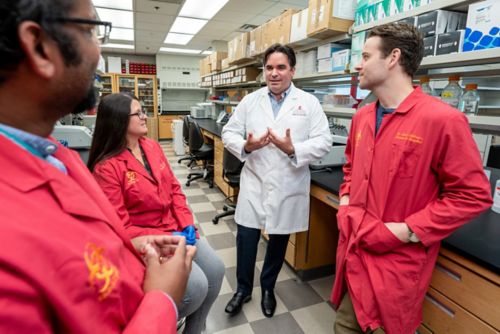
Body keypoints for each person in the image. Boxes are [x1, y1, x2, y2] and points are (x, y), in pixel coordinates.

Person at [0, 1, 195, 333]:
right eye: (90, 30)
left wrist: (137, 245)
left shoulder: (61, 159)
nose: (100, 52)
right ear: (39, 47)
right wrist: (161, 300)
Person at [330, 23, 493, 334]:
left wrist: (409, 230)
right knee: (346, 323)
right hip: (355, 247)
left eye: (365, 56)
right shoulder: (363, 116)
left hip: (395, 260)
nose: (357, 64)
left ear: (393, 58)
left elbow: (473, 195)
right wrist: (347, 200)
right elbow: (351, 166)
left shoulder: (442, 120)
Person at [87, 93, 225, 334]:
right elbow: (120, 228)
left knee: (215, 269)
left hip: (175, 227)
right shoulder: (107, 167)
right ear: (119, 120)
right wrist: (166, 237)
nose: (145, 116)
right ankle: (159, 323)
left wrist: (186, 224)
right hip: (148, 241)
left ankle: (196, 329)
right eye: (138, 113)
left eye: (143, 111)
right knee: (196, 287)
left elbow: (173, 188)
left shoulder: (151, 146)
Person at [221, 43, 332, 318]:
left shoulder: (309, 103)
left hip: (287, 183)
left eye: (281, 67)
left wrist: (293, 149)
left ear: (292, 70)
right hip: (254, 182)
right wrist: (248, 146)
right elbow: (229, 133)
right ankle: (243, 289)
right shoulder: (250, 101)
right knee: (246, 238)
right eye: (269, 67)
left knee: (278, 240)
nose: (274, 73)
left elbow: (324, 141)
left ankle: (268, 288)